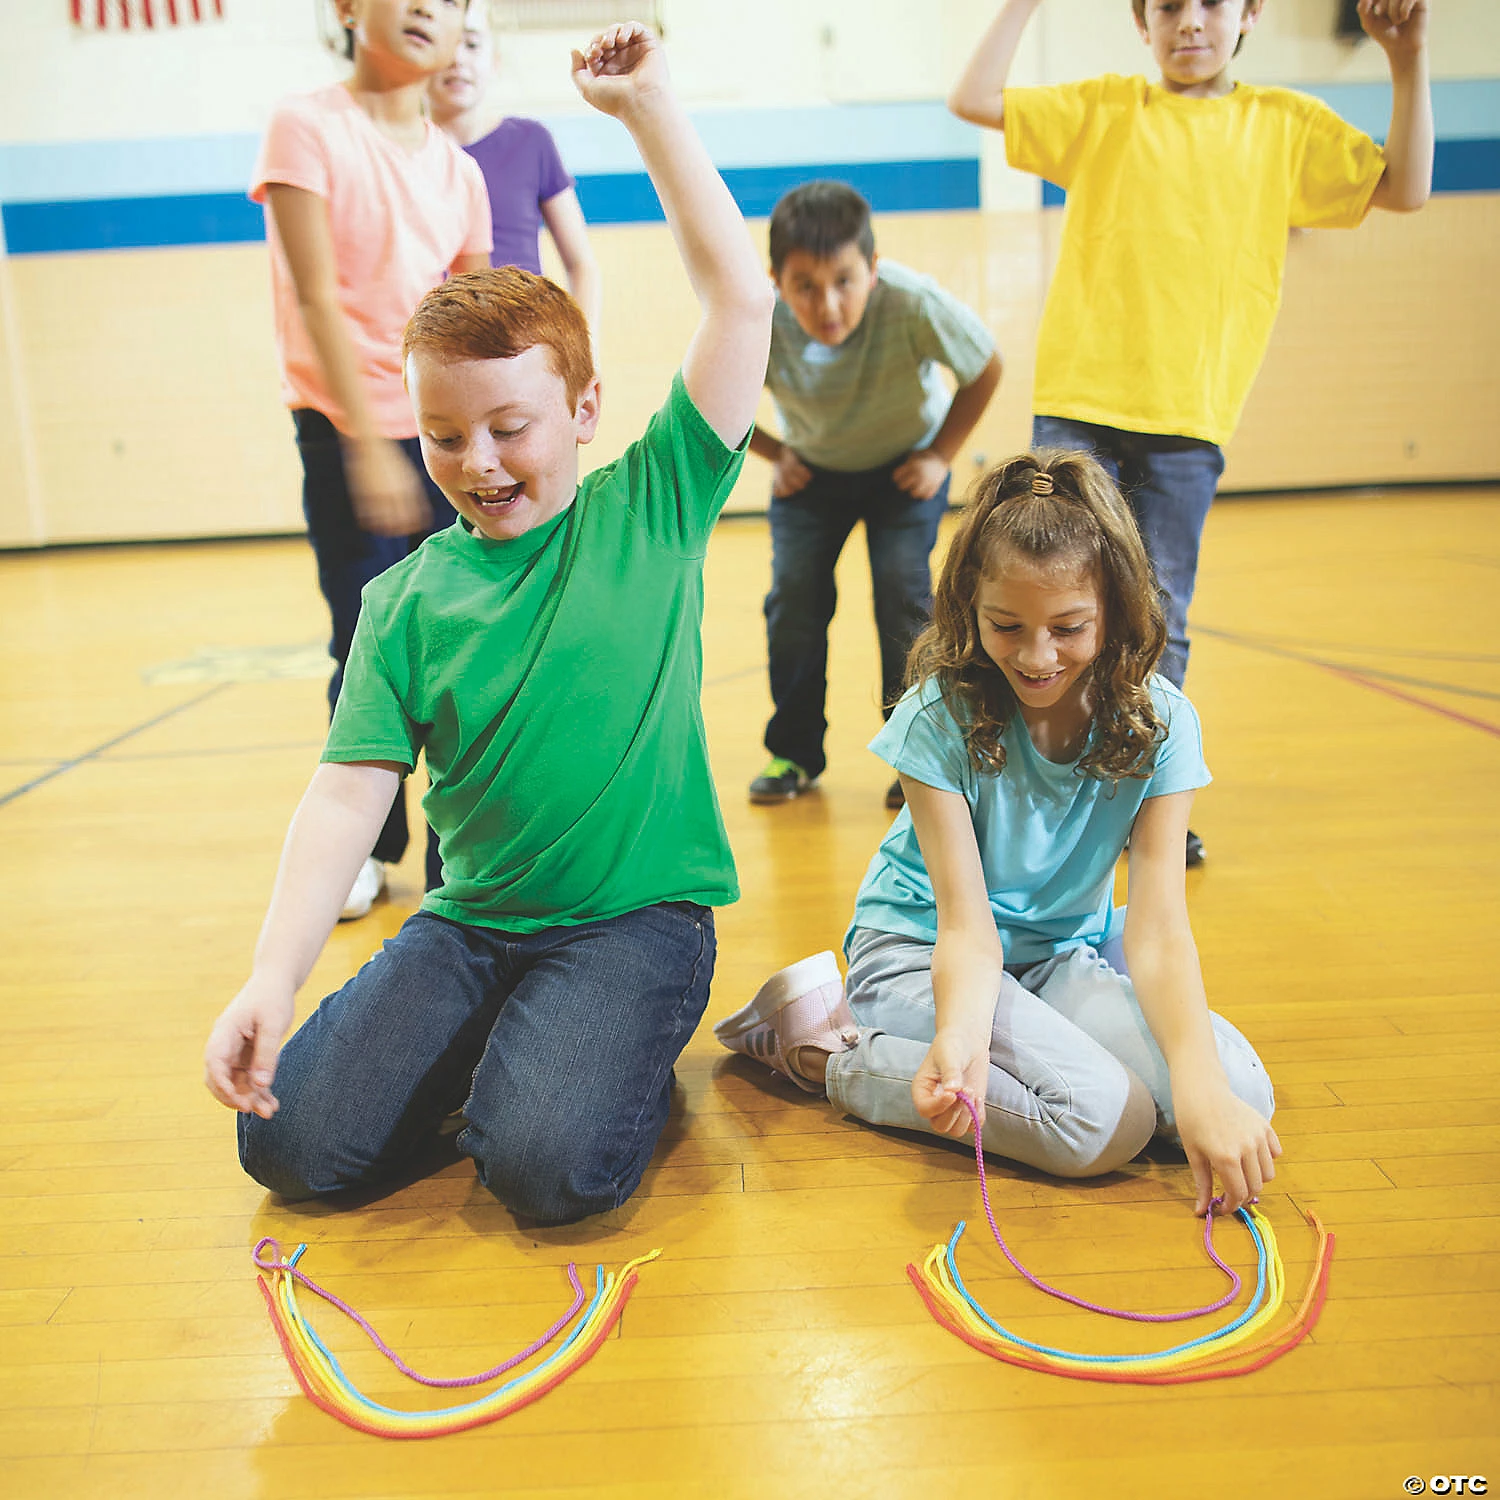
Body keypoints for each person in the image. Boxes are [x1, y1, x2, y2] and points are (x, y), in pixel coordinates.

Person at [204, 23, 773, 1226]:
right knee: (288, 1145)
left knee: (543, 1169)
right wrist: (271, 976)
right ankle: (522, 1048)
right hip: (469, 925)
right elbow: (347, 798)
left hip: (634, 924)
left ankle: (594, 1060)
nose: (480, 461)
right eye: (445, 436)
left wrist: (649, 109)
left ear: (585, 407)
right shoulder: (404, 600)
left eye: (511, 427)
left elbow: (741, 297)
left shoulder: (655, 502)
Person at [717, 452, 1280, 1216]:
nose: (1037, 656)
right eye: (1006, 626)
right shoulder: (937, 716)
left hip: (1053, 954)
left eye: (1069, 627)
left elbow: (1157, 931)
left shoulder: (1164, 723)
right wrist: (960, 1036)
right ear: (969, 608)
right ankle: (822, 1049)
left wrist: (1201, 1085)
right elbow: (967, 930)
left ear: (1116, 609)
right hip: (922, 952)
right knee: (1103, 1124)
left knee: (1237, 1090)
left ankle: (1058, 1059)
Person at [947, 0, 1433, 864]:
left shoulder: (1282, 125)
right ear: (1143, 22)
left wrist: (1407, 57)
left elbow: (1406, 186)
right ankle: (1024, 788)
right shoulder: (1106, 109)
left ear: (1250, 12)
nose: (1190, 22)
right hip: (1080, 405)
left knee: (1156, 615)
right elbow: (973, 98)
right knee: (1042, 600)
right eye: (1167, 6)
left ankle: (1143, 797)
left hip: (1188, 416)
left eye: (1210, 2)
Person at [252, 0, 493, 917]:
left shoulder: (460, 171)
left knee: (463, 649)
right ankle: (363, 846)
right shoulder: (306, 128)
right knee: (366, 647)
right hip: (345, 430)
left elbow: (477, 324)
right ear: (348, 8)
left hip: (445, 439)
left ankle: (455, 854)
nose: (431, 7)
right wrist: (366, 444)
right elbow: (315, 295)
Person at [747, 181, 1003, 812]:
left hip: (903, 469)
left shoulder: (912, 302)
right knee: (795, 601)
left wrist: (939, 455)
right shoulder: (755, 319)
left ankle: (915, 755)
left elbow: (985, 367)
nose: (828, 304)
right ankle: (794, 752)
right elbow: (710, 396)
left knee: (901, 594)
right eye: (805, 286)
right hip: (813, 474)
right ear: (776, 282)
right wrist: (778, 455)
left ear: (873, 269)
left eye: (844, 281)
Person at [428, 3, 602, 329]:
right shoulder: (404, 152)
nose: (457, 59)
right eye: (447, 42)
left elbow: (581, 264)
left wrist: (585, 344)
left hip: (525, 334)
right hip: (437, 337)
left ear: (494, 61)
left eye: (472, 44)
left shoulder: (531, 140)